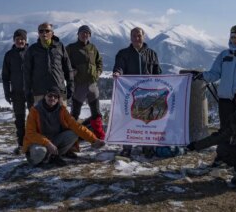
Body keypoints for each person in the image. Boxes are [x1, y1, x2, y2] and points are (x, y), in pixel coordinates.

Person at [192, 25, 236, 166]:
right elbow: (215, 73)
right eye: (233, 37)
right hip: (225, 99)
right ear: (230, 38)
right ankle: (223, 156)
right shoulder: (224, 55)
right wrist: (202, 76)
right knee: (225, 129)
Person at [23, 86, 105, 166]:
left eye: (55, 96)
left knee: (73, 134)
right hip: (39, 143)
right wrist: (47, 143)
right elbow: (30, 133)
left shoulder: (62, 110)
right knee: (40, 151)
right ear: (45, 96)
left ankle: (53, 156)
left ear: (58, 99)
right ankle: (37, 160)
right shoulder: (35, 111)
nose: (52, 98)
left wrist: (94, 140)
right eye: (50, 95)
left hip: (53, 141)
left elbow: (76, 126)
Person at [113, 27, 162, 158]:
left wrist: (158, 86)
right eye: (134, 36)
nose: (136, 38)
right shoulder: (123, 53)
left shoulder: (152, 53)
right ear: (130, 37)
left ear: (143, 37)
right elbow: (119, 67)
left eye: (139, 35)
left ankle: (147, 146)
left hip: (148, 94)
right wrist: (118, 72)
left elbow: (157, 72)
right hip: (130, 94)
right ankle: (127, 147)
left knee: (147, 120)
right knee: (128, 119)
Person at [66, 25, 105, 140]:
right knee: (75, 113)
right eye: (82, 33)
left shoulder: (93, 48)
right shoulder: (71, 48)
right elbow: (65, 62)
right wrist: (71, 72)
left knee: (96, 111)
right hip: (79, 85)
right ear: (78, 34)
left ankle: (99, 135)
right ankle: (71, 137)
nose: (84, 35)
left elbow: (99, 62)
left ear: (90, 35)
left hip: (92, 85)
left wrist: (97, 73)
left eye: (87, 33)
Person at [24, 22, 74, 109]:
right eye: (41, 31)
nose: (44, 33)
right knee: (41, 121)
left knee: (61, 120)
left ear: (52, 33)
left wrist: (70, 87)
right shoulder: (32, 50)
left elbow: (68, 68)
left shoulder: (60, 47)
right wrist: (28, 92)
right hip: (39, 92)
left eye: (47, 31)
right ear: (38, 33)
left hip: (59, 91)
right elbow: (27, 72)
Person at [2, 29, 28, 155]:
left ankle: (36, 142)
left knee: (35, 118)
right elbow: (5, 77)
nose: (20, 41)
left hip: (31, 91)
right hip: (17, 92)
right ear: (14, 40)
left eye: (22, 39)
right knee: (19, 119)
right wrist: (7, 93)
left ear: (26, 40)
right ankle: (22, 144)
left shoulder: (31, 52)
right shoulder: (9, 55)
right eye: (17, 39)